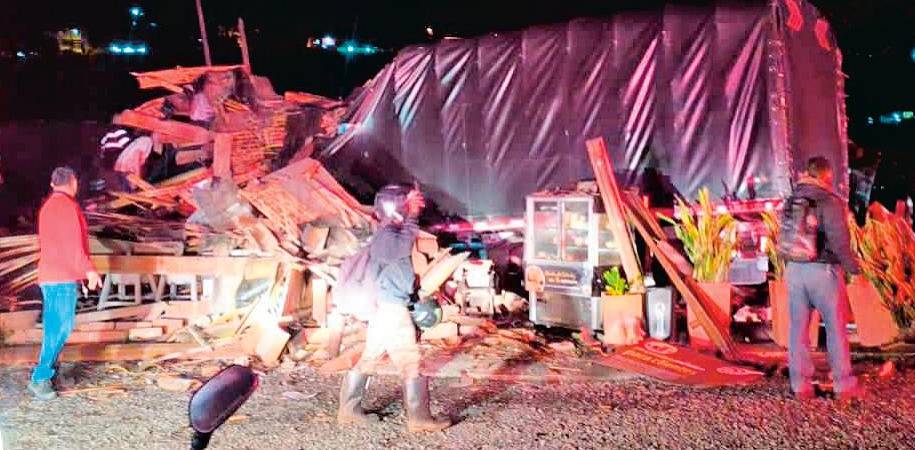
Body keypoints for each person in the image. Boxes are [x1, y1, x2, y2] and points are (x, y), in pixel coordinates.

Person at [336, 184, 451, 432]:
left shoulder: (388, 231)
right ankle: (419, 419)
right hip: (391, 308)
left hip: (386, 306)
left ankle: (348, 410)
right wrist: (412, 214)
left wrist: (409, 212)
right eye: (404, 204)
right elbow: (403, 244)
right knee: (410, 360)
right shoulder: (388, 236)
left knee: (370, 356)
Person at [785, 156, 863, 402]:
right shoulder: (829, 201)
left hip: (794, 270)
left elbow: (783, 236)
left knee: (798, 329)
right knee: (835, 328)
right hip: (823, 272)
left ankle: (800, 386)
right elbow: (839, 242)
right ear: (826, 175)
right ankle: (844, 385)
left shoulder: (791, 199)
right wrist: (855, 269)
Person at [28, 167, 101, 400]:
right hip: (61, 276)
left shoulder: (48, 206)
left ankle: (49, 374)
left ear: (52, 183)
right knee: (60, 327)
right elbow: (73, 244)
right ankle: (41, 377)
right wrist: (89, 270)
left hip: (52, 274)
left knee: (56, 327)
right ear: (73, 182)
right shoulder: (67, 207)